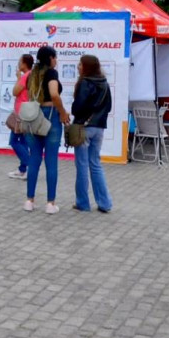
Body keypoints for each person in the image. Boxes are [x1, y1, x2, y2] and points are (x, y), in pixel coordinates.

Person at [23, 45, 69, 214]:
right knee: (51, 162)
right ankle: (50, 203)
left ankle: (29, 201)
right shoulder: (51, 73)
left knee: (34, 158)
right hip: (50, 117)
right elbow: (54, 94)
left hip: (33, 117)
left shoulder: (32, 74)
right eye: (55, 57)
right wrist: (63, 113)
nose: (56, 60)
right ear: (50, 58)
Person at [70, 54, 113, 213]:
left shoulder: (85, 83)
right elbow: (108, 107)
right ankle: (105, 203)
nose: (78, 67)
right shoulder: (105, 83)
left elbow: (77, 108)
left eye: (80, 64)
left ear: (86, 66)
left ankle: (82, 202)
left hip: (84, 128)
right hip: (99, 128)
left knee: (82, 165)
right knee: (95, 164)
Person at [7, 53, 34, 180]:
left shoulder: (25, 76)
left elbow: (15, 92)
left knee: (14, 141)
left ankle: (29, 166)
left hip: (22, 113)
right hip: (27, 112)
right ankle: (23, 169)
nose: (18, 63)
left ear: (24, 64)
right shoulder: (32, 75)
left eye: (20, 61)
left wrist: (18, 78)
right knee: (23, 141)